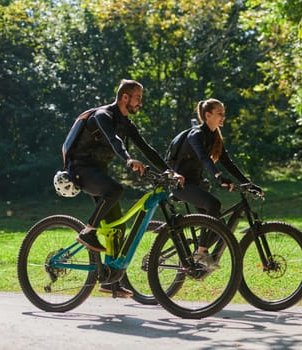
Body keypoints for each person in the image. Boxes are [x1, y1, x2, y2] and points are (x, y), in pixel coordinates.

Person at [67, 79, 183, 297]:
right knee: (115, 190)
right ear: (125, 97)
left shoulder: (126, 123)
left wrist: (170, 171)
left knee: (117, 228)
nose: (140, 103)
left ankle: (110, 281)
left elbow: (146, 149)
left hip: (98, 173)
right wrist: (128, 160)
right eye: (138, 98)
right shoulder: (103, 115)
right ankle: (87, 232)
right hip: (80, 169)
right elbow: (114, 141)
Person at [171, 98, 262, 269]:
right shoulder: (196, 134)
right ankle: (201, 252)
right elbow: (204, 159)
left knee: (218, 225)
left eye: (223, 114)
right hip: (179, 185)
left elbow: (228, 162)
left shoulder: (214, 137)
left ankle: (198, 252)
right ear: (208, 115)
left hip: (196, 184)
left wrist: (248, 184)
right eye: (219, 113)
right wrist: (219, 177)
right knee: (213, 204)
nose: (223, 117)